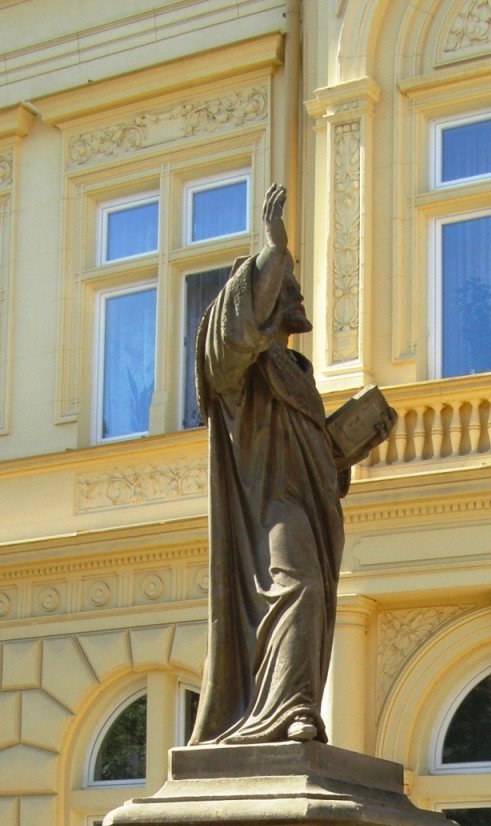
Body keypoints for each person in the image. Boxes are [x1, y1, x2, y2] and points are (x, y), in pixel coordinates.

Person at [189, 184, 392, 746]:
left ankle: (294, 706)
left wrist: (350, 440)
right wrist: (273, 251)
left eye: (288, 282)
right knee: (295, 586)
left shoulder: (298, 373)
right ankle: (286, 712)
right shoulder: (239, 370)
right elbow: (230, 341)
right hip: (267, 505)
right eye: (283, 285)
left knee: (316, 598)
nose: (292, 292)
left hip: (311, 502)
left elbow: (316, 454)